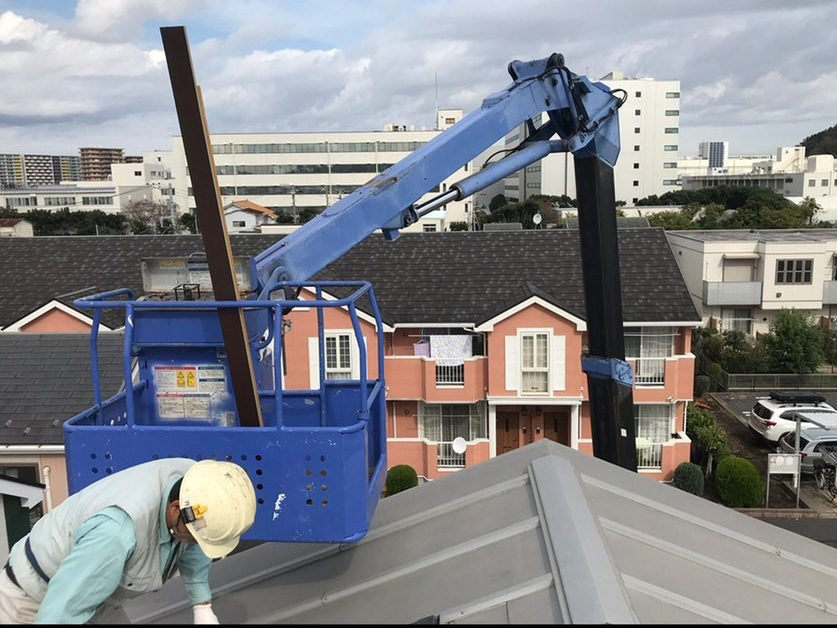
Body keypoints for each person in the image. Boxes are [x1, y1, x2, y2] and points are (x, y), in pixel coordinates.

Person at [0, 458, 257, 624]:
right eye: (192, 537)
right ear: (176, 509)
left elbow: (197, 540)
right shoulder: (116, 534)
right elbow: (60, 613)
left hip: (96, 599)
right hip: (33, 601)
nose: (194, 544)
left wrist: (202, 605)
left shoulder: (197, 487)